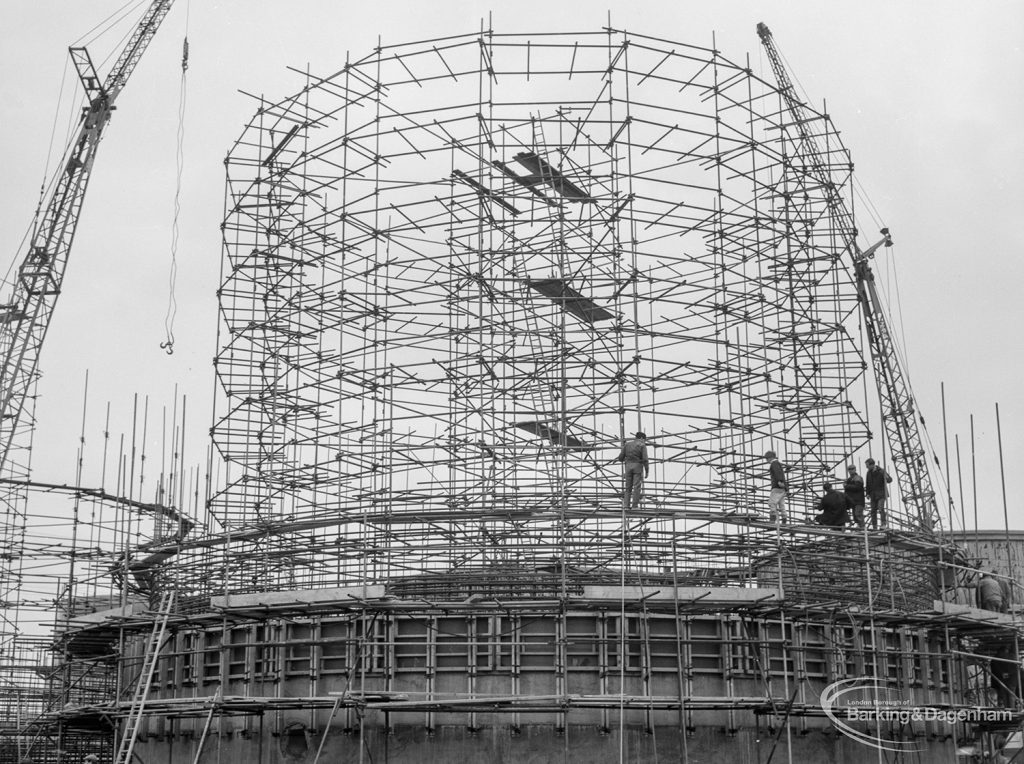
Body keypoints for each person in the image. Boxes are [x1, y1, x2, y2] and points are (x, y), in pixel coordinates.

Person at [617, 431, 649, 510]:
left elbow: (620, 458)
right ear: (641, 438)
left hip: (628, 467)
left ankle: (626, 506)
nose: (644, 441)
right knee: (636, 487)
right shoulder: (642, 445)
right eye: (644, 439)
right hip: (637, 466)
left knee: (628, 488)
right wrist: (647, 470)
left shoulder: (627, 444)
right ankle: (634, 506)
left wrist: (627, 459)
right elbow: (645, 459)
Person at [864, 458, 893, 529]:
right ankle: (875, 526)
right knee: (873, 511)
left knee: (880, 508)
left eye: (867, 465)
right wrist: (867, 493)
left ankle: (883, 524)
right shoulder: (868, 473)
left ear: (872, 465)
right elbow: (867, 484)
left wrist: (886, 477)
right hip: (873, 495)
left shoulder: (881, 471)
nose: (866, 467)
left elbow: (890, 480)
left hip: (881, 494)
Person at [764, 450, 787, 523]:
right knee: (781, 504)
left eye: (767, 458)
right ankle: (784, 519)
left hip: (777, 486)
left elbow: (777, 472)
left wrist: (779, 481)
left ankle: (772, 519)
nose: (766, 460)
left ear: (770, 458)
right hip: (782, 488)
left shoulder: (774, 463)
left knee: (772, 503)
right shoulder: (778, 463)